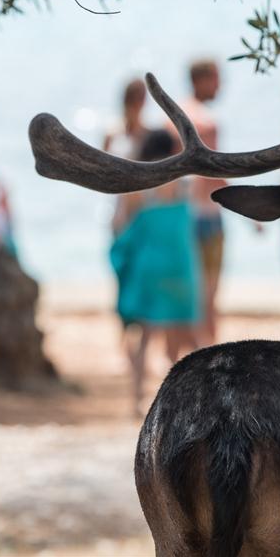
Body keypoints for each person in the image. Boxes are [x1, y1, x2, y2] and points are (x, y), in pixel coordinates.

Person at [110, 130, 202, 417]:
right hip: (181, 266)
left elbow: (118, 226)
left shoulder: (137, 189)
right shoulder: (184, 184)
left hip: (148, 268)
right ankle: (193, 397)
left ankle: (137, 400)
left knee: (145, 336)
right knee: (186, 337)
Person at [170, 60, 227, 345]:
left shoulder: (172, 119)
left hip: (179, 214)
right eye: (216, 79)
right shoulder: (206, 122)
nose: (220, 86)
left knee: (182, 294)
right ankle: (209, 352)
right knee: (208, 297)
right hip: (207, 216)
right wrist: (251, 209)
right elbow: (215, 175)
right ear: (202, 80)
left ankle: (178, 354)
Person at [104, 78, 148, 232]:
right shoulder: (112, 133)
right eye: (135, 98)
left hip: (143, 205)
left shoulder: (148, 134)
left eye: (140, 98)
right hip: (120, 203)